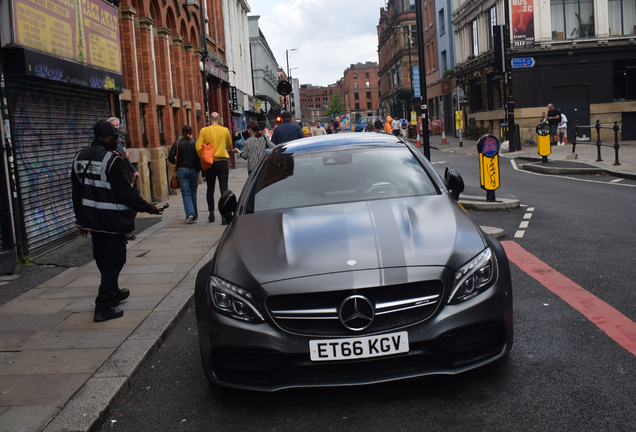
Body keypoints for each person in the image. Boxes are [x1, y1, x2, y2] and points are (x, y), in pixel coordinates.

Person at [72, 121, 161, 322]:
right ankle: (103, 306)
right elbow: (125, 192)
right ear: (104, 138)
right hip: (111, 220)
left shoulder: (79, 157)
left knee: (102, 258)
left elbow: (76, 192)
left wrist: (80, 220)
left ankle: (113, 292)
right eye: (115, 136)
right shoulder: (111, 159)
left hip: (93, 221)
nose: (117, 140)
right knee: (115, 260)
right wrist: (148, 207)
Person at [196, 112, 237, 224]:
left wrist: (205, 157)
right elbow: (229, 143)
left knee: (210, 188)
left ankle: (211, 213)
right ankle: (225, 215)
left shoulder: (204, 131)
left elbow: (198, 148)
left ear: (210, 120)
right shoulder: (225, 130)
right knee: (224, 188)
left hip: (210, 163)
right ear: (219, 120)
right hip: (223, 161)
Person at [168, 125, 201, 224]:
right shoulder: (195, 144)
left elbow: (170, 158)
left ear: (182, 133)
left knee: (186, 193)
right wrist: (199, 169)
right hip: (194, 170)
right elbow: (198, 159)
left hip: (181, 171)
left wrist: (177, 163)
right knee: (193, 192)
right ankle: (194, 214)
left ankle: (190, 214)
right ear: (191, 132)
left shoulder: (177, 144)